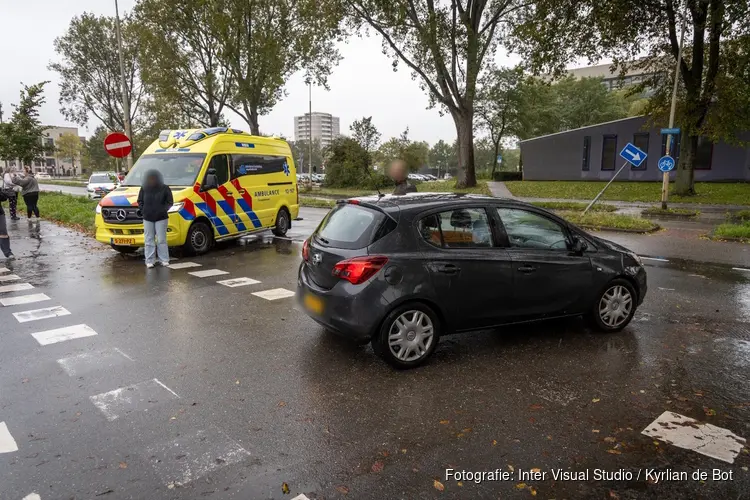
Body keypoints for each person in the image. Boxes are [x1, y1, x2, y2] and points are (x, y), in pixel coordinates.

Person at [137, 169, 173, 268]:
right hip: (147, 217)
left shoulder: (165, 188)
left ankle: (164, 259)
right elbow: (140, 201)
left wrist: (162, 210)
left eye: (154, 178)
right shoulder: (144, 188)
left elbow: (170, 202)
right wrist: (143, 210)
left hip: (161, 217)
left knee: (161, 239)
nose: (152, 180)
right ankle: (150, 260)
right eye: (150, 178)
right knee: (149, 239)